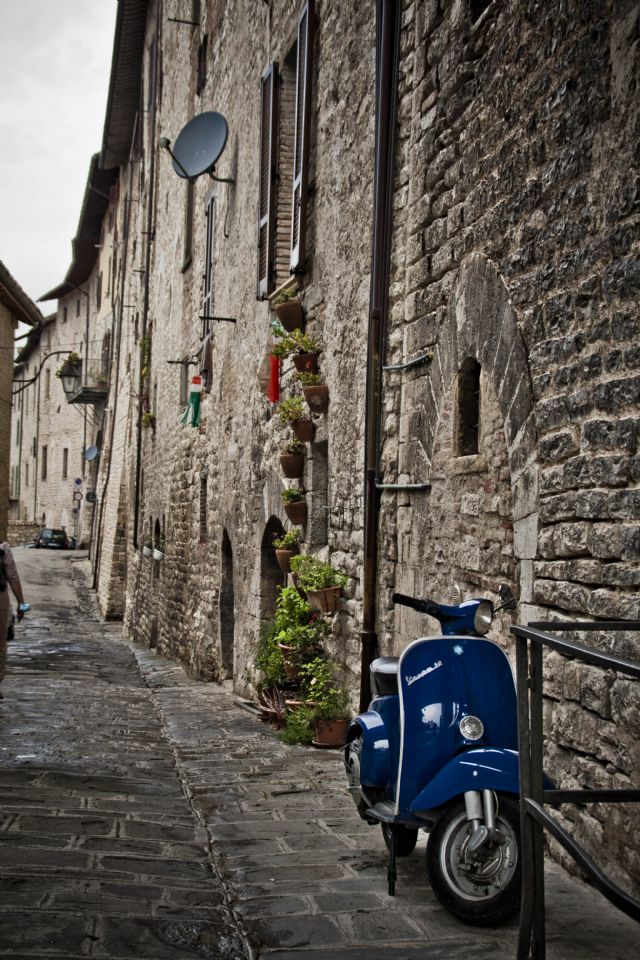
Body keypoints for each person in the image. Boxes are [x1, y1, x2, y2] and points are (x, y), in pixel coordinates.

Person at [0, 541, 27, 699]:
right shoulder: (3, 548)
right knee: (1, 643)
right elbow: (13, 577)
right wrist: (21, 603)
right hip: (0, 600)